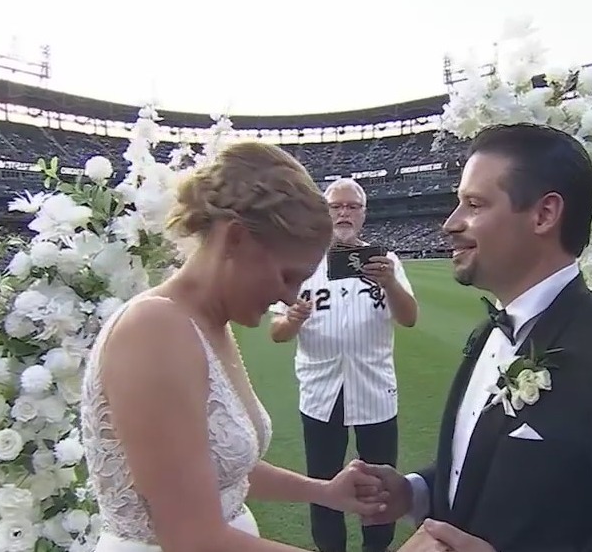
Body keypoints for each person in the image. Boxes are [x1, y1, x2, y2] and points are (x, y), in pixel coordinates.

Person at [351, 123, 592, 552]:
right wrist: (414, 491)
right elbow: (500, 464)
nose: (451, 223)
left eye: (474, 204)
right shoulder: (488, 333)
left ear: (544, 214)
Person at [79, 142, 390, 552]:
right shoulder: (154, 329)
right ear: (236, 238)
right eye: (287, 275)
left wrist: (324, 491)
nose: (289, 296)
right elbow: (193, 539)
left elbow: (217, 469)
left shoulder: (207, 325)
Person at [269, 177, 418, 552]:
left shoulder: (385, 262)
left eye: (352, 206)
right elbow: (277, 332)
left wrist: (390, 283)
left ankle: (376, 548)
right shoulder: (303, 262)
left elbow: (409, 317)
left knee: (379, 483)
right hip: (322, 392)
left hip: (374, 389)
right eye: (336, 207)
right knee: (323, 483)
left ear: (364, 214)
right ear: (324, 213)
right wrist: (293, 320)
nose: (344, 213)